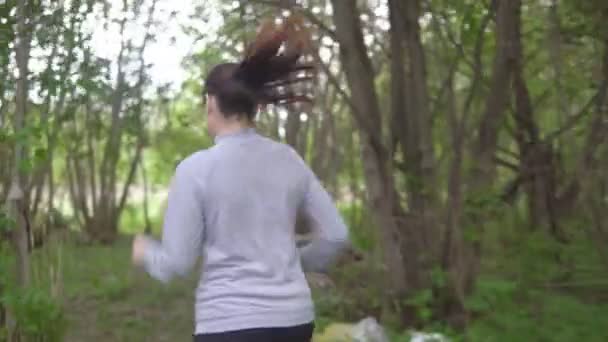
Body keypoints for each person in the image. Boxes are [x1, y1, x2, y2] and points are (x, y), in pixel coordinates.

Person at [131, 14, 349, 342]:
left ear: (210, 104)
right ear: (256, 109)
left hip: (228, 324)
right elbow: (335, 235)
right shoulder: (289, 160)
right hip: (294, 321)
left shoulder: (195, 169)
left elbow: (178, 261)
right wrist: (293, 263)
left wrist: (145, 252)